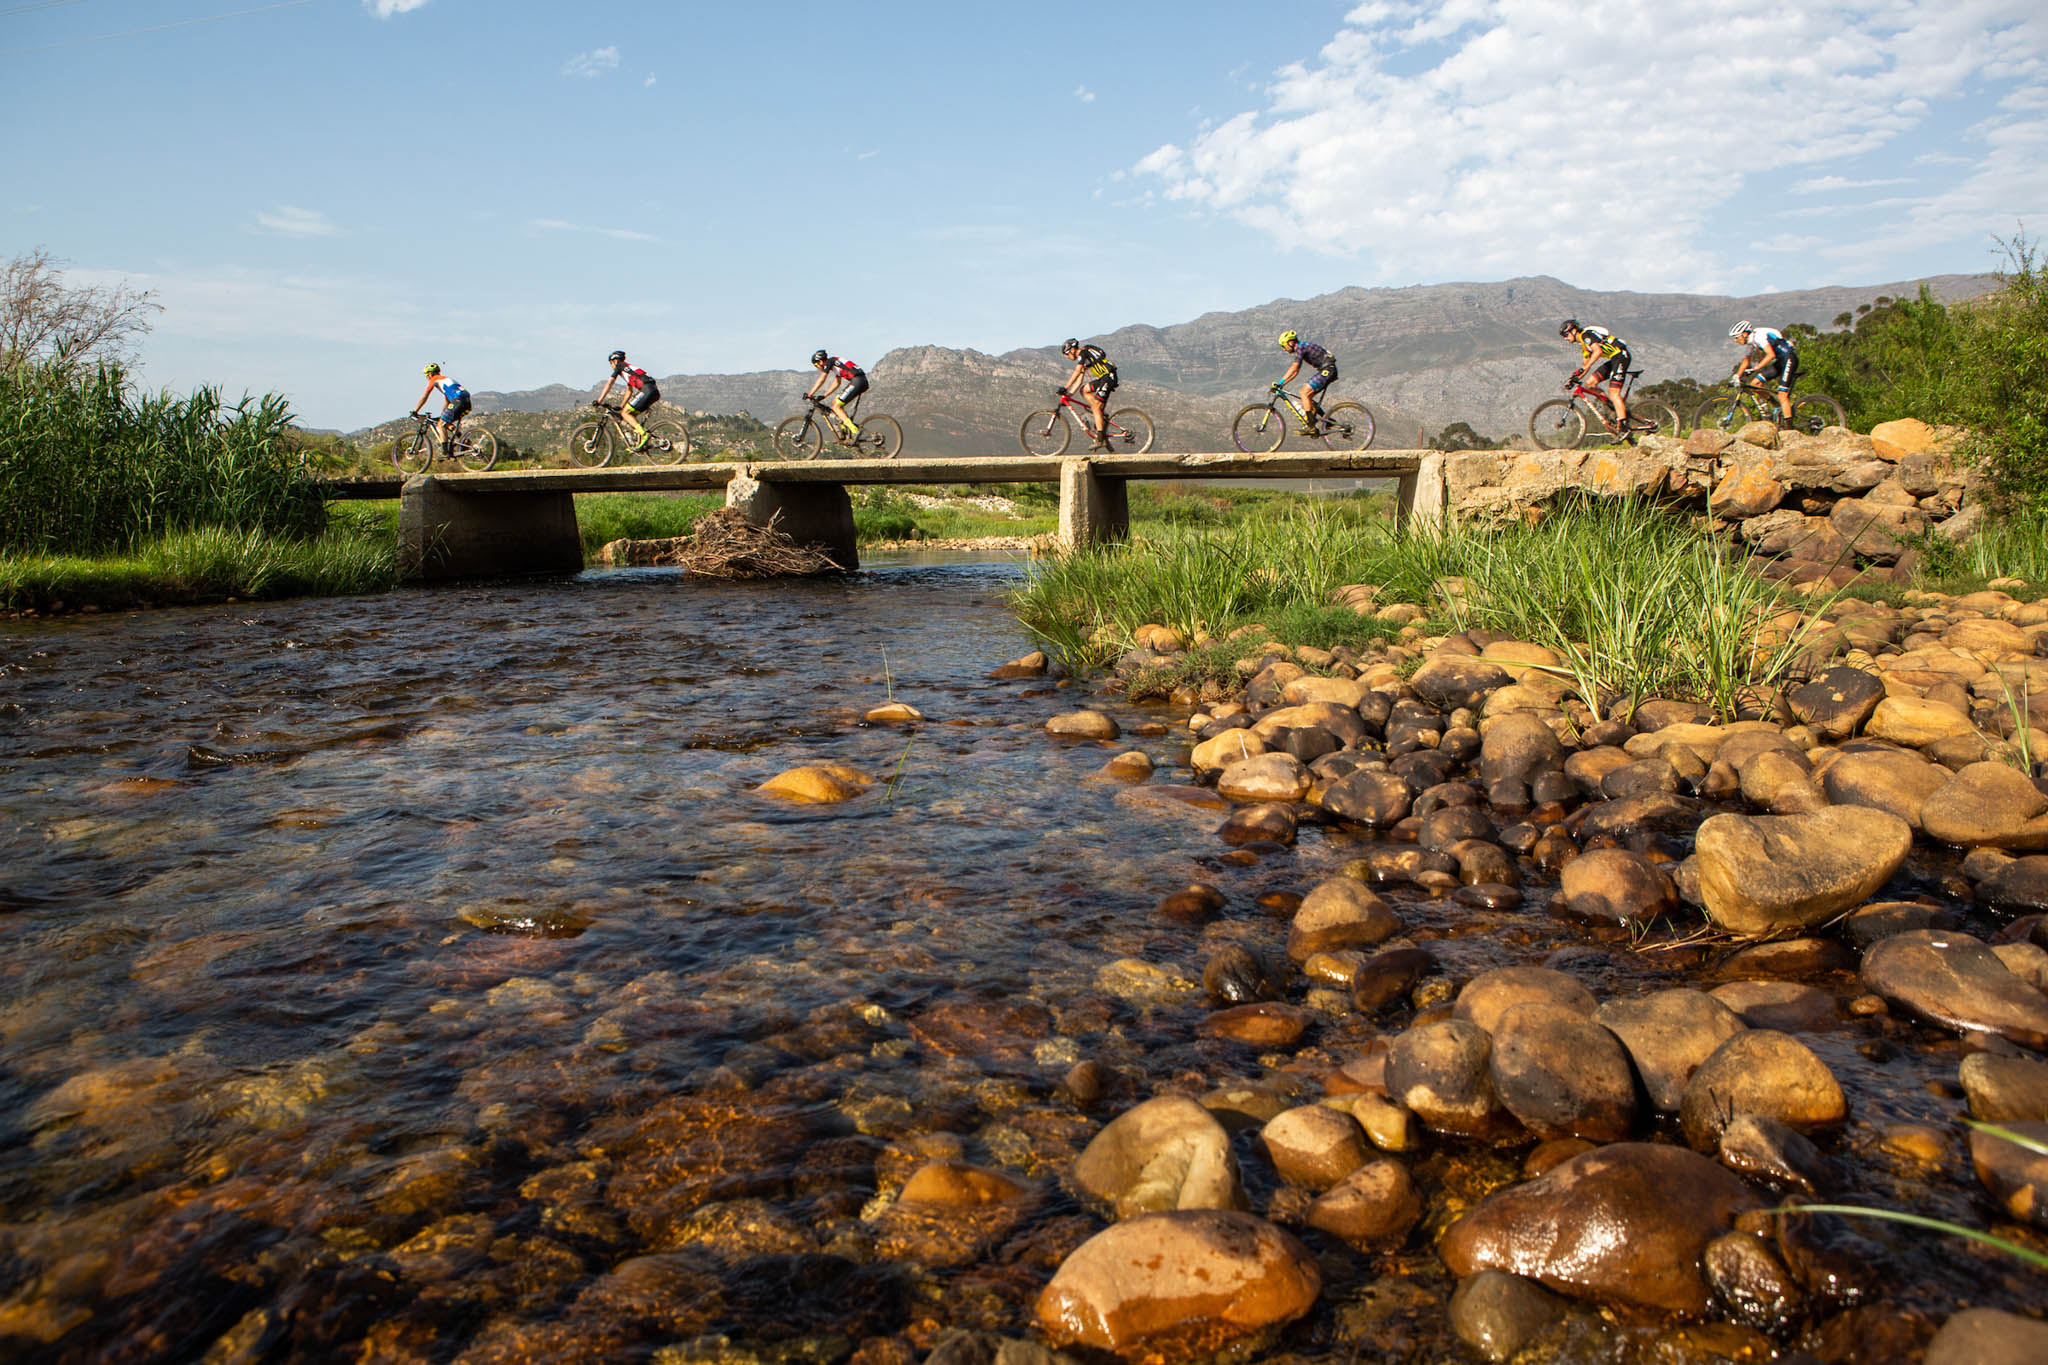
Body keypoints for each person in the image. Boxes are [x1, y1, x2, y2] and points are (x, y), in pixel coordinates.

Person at [1559, 319, 1632, 428]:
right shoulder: (1584, 345)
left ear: (1574, 331)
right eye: (1563, 336)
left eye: (1566, 334)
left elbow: (1598, 351)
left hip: (1621, 355)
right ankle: (1612, 405)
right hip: (1614, 359)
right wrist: (1573, 379)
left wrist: (1586, 367)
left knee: (1613, 393)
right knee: (1590, 384)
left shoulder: (1586, 336)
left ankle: (1623, 427)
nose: (1565, 338)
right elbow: (1585, 366)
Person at [1729, 320, 1799, 424]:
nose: (1735, 340)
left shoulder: (1759, 337)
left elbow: (1771, 355)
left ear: (1744, 334)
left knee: (1782, 395)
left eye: (1736, 337)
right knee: (1755, 384)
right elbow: (1746, 361)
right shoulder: (1751, 342)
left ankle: (1789, 428)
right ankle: (1776, 405)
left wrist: (1756, 368)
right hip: (1781, 361)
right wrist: (1737, 376)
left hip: (1789, 359)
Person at [594, 349, 660, 449]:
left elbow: (610, 383)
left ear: (615, 361)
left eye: (611, 363)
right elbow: (629, 391)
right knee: (629, 415)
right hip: (654, 391)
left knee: (625, 413)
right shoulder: (629, 370)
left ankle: (644, 435)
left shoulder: (620, 366)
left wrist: (600, 399)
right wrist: (621, 406)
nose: (611, 367)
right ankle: (641, 441)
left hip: (646, 390)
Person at [1059, 337, 1118, 449]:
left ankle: (1100, 439)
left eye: (1066, 354)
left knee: (1095, 406)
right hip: (1102, 378)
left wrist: (1065, 387)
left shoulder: (1082, 353)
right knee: (1084, 390)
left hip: (1108, 377)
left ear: (1071, 350)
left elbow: (1076, 372)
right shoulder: (1084, 359)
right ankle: (1098, 412)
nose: (1067, 357)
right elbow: (1079, 380)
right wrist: (1069, 395)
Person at [1276, 330, 1337, 434]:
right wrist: (1283, 384)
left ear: (1290, 342)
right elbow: (1295, 372)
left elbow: (1294, 368)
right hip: (1328, 370)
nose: (1284, 349)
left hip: (1328, 370)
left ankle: (1311, 426)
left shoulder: (1301, 347)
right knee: (1307, 398)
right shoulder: (1301, 348)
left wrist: (1281, 382)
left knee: (1304, 393)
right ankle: (1328, 421)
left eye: (1284, 345)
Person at [804, 349, 868, 441]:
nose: (817, 368)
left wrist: (810, 394)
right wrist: (825, 395)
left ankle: (855, 430)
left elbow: (822, 378)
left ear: (821, 362)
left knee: (837, 407)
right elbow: (837, 383)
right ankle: (843, 429)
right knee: (835, 402)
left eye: (816, 365)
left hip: (857, 381)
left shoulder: (830, 361)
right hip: (860, 380)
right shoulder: (836, 364)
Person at [410, 363, 470, 452]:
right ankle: (464, 441)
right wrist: (442, 415)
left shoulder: (435, 379)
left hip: (458, 401)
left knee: (440, 425)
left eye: (427, 376)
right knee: (445, 422)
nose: (427, 378)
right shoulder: (447, 380)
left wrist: (416, 410)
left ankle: (445, 452)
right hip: (467, 403)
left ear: (430, 374)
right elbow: (447, 401)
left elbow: (425, 396)